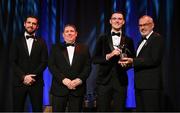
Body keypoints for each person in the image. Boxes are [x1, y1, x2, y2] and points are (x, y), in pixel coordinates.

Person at [119, 15, 164, 111]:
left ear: (152, 25)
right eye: (140, 25)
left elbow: (154, 60)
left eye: (145, 25)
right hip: (139, 85)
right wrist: (128, 63)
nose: (142, 28)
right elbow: (140, 61)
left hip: (150, 86)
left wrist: (133, 61)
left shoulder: (156, 38)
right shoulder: (140, 42)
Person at [93, 11, 135, 111]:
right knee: (102, 110)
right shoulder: (102, 38)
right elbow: (95, 59)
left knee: (119, 110)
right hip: (104, 82)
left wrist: (127, 64)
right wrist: (109, 56)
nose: (117, 21)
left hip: (121, 82)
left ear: (124, 22)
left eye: (120, 19)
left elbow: (133, 60)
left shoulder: (129, 40)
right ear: (110, 21)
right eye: (114, 18)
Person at [48, 24, 91, 112]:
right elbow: (51, 66)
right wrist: (63, 79)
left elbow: (88, 67)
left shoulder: (84, 48)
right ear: (63, 35)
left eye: (72, 31)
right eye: (67, 31)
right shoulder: (55, 48)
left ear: (76, 34)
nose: (69, 33)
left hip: (77, 89)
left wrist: (79, 80)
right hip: (59, 89)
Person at [9, 15, 48, 112]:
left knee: (37, 110)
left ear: (37, 26)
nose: (31, 25)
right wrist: (23, 77)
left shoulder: (42, 42)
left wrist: (32, 77)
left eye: (34, 23)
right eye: (29, 22)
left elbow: (44, 62)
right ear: (24, 24)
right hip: (19, 82)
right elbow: (12, 61)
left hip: (36, 83)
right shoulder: (16, 41)